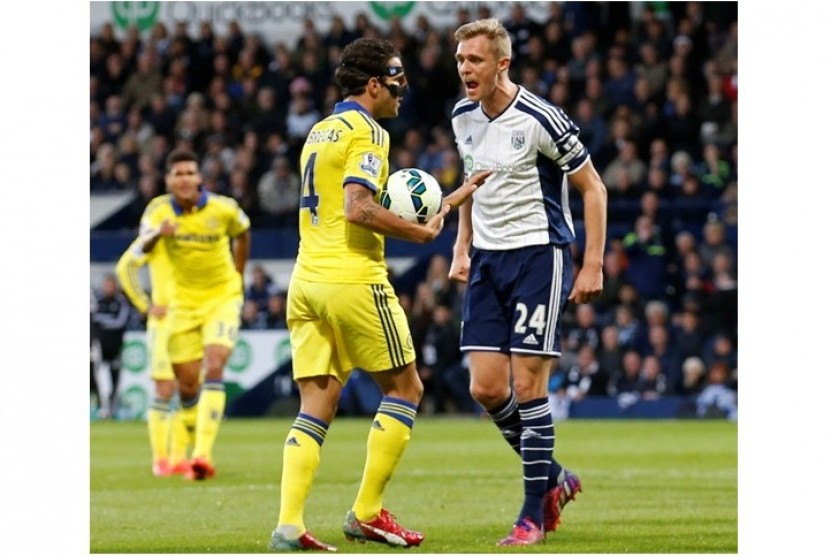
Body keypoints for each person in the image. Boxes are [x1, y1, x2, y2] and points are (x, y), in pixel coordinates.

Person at [268, 37, 490, 552]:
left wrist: (451, 200)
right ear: (373, 84)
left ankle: (289, 523)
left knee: (317, 403)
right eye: (397, 83)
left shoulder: (322, 130)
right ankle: (367, 513)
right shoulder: (369, 131)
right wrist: (420, 235)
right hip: (352, 279)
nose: (402, 93)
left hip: (306, 283)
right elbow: (358, 208)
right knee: (406, 390)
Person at [449, 19, 607, 545]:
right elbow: (471, 180)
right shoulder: (462, 116)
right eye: (461, 60)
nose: (465, 69)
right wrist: (461, 244)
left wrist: (592, 263)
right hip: (489, 261)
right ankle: (556, 478)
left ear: (502, 64)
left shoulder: (540, 117)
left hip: (539, 256)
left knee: (528, 387)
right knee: (486, 388)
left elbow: (594, 188)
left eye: (475, 60)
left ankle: (531, 515)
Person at [139, 148, 251, 480]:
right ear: (168, 180)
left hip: (221, 299)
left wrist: (238, 275)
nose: (185, 178)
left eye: (190, 172)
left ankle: (202, 456)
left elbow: (243, 232)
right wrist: (160, 233)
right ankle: (182, 452)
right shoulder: (158, 211)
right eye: (178, 173)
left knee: (214, 363)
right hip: (181, 307)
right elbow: (142, 244)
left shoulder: (223, 207)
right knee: (187, 387)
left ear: (199, 177)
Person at [115, 234, 196, 476]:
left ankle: (179, 457)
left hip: (194, 320)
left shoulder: (200, 233)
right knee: (165, 387)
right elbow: (125, 266)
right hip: (164, 322)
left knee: (189, 388)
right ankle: (160, 459)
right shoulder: (157, 234)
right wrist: (145, 305)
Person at [92, 273, 132, 418]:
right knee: (99, 377)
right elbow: (92, 317)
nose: (108, 288)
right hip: (100, 347)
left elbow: (120, 322)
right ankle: (102, 407)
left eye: (111, 285)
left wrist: (102, 321)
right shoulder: (98, 301)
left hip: (116, 347)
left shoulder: (121, 302)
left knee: (115, 378)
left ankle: (113, 408)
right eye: (106, 285)